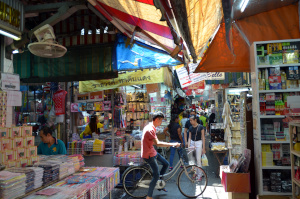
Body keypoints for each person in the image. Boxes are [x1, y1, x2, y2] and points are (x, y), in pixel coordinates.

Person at [142, 112, 181, 199]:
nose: (161, 123)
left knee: (166, 164)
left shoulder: (151, 126)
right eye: (161, 121)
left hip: (152, 151)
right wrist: (172, 144)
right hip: (148, 154)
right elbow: (158, 144)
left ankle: (159, 183)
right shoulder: (150, 129)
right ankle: (149, 196)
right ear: (156, 120)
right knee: (156, 175)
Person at [188, 115, 206, 180]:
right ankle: (195, 173)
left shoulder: (201, 127)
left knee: (198, 160)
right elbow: (189, 137)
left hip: (199, 143)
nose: (190, 122)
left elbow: (203, 137)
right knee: (193, 160)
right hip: (192, 143)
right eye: (190, 120)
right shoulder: (190, 128)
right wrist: (188, 146)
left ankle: (199, 175)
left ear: (195, 120)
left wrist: (203, 148)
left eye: (191, 120)